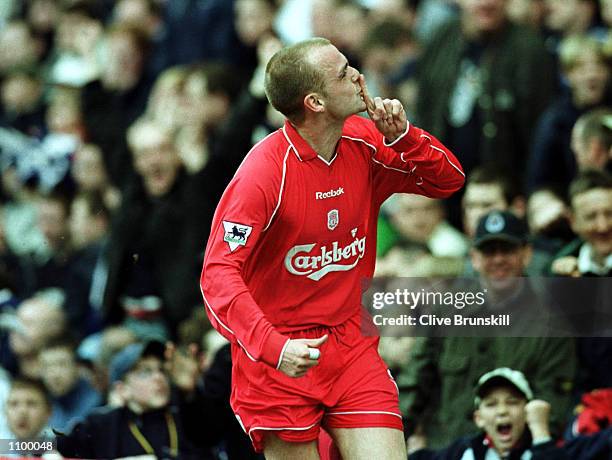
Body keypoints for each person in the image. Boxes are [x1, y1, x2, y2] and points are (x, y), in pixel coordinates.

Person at [200, 37, 465, 459]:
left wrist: (404, 138)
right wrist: (274, 347)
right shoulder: (264, 172)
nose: (358, 75)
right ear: (316, 102)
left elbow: (447, 182)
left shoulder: (365, 140)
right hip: (281, 354)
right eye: (343, 72)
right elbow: (217, 275)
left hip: (350, 343)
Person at [398, 211, 576, 448]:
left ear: (526, 254)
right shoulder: (445, 312)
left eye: (508, 250)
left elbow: (551, 408)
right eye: (489, 251)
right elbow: (414, 384)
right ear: (474, 258)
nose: (498, 259)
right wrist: (393, 439)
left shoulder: (551, 326)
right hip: (446, 449)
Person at [408, 367, 611, 460]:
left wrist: (540, 431)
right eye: (491, 404)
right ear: (478, 418)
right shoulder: (463, 451)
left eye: (513, 402)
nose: (502, 411)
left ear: (528, 412)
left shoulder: (544, 450)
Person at [55, 340, 213, 459]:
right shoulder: (103, 424)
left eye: (162, 370)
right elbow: (39, 445)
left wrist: (192, 392)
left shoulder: (186, 410)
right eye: (145, 372)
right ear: (122, 389)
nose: (158, 378)